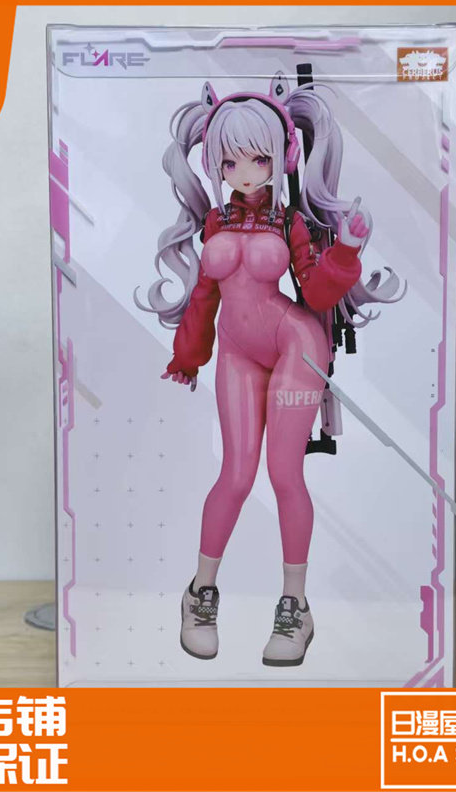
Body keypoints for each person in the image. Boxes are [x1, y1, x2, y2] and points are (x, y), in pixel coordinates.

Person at [135, 73, 402, 666]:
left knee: (284, 474)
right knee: (234, 475)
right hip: (237, 352)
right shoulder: (214, 222)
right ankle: (199, 594)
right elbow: (205, 295)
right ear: (215, 162)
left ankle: (294, 607)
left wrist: (347, 251)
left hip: (294, 346)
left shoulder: (289, 223)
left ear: (282, 157)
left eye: (259, 158)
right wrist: (188, 354)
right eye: (231, 161)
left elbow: (316, 290)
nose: (247, 172)